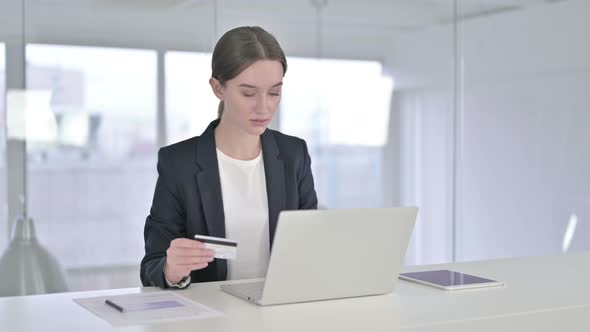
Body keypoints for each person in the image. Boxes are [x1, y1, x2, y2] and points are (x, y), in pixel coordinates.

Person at [140, 26, 318, 289]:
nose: (263, 107)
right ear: (218, 88)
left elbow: (311, 244)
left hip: (280, 311)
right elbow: (151, 268)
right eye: (248, 93)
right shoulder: (178, 163)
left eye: (274, 92)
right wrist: (171, 269)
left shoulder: (294, 155)